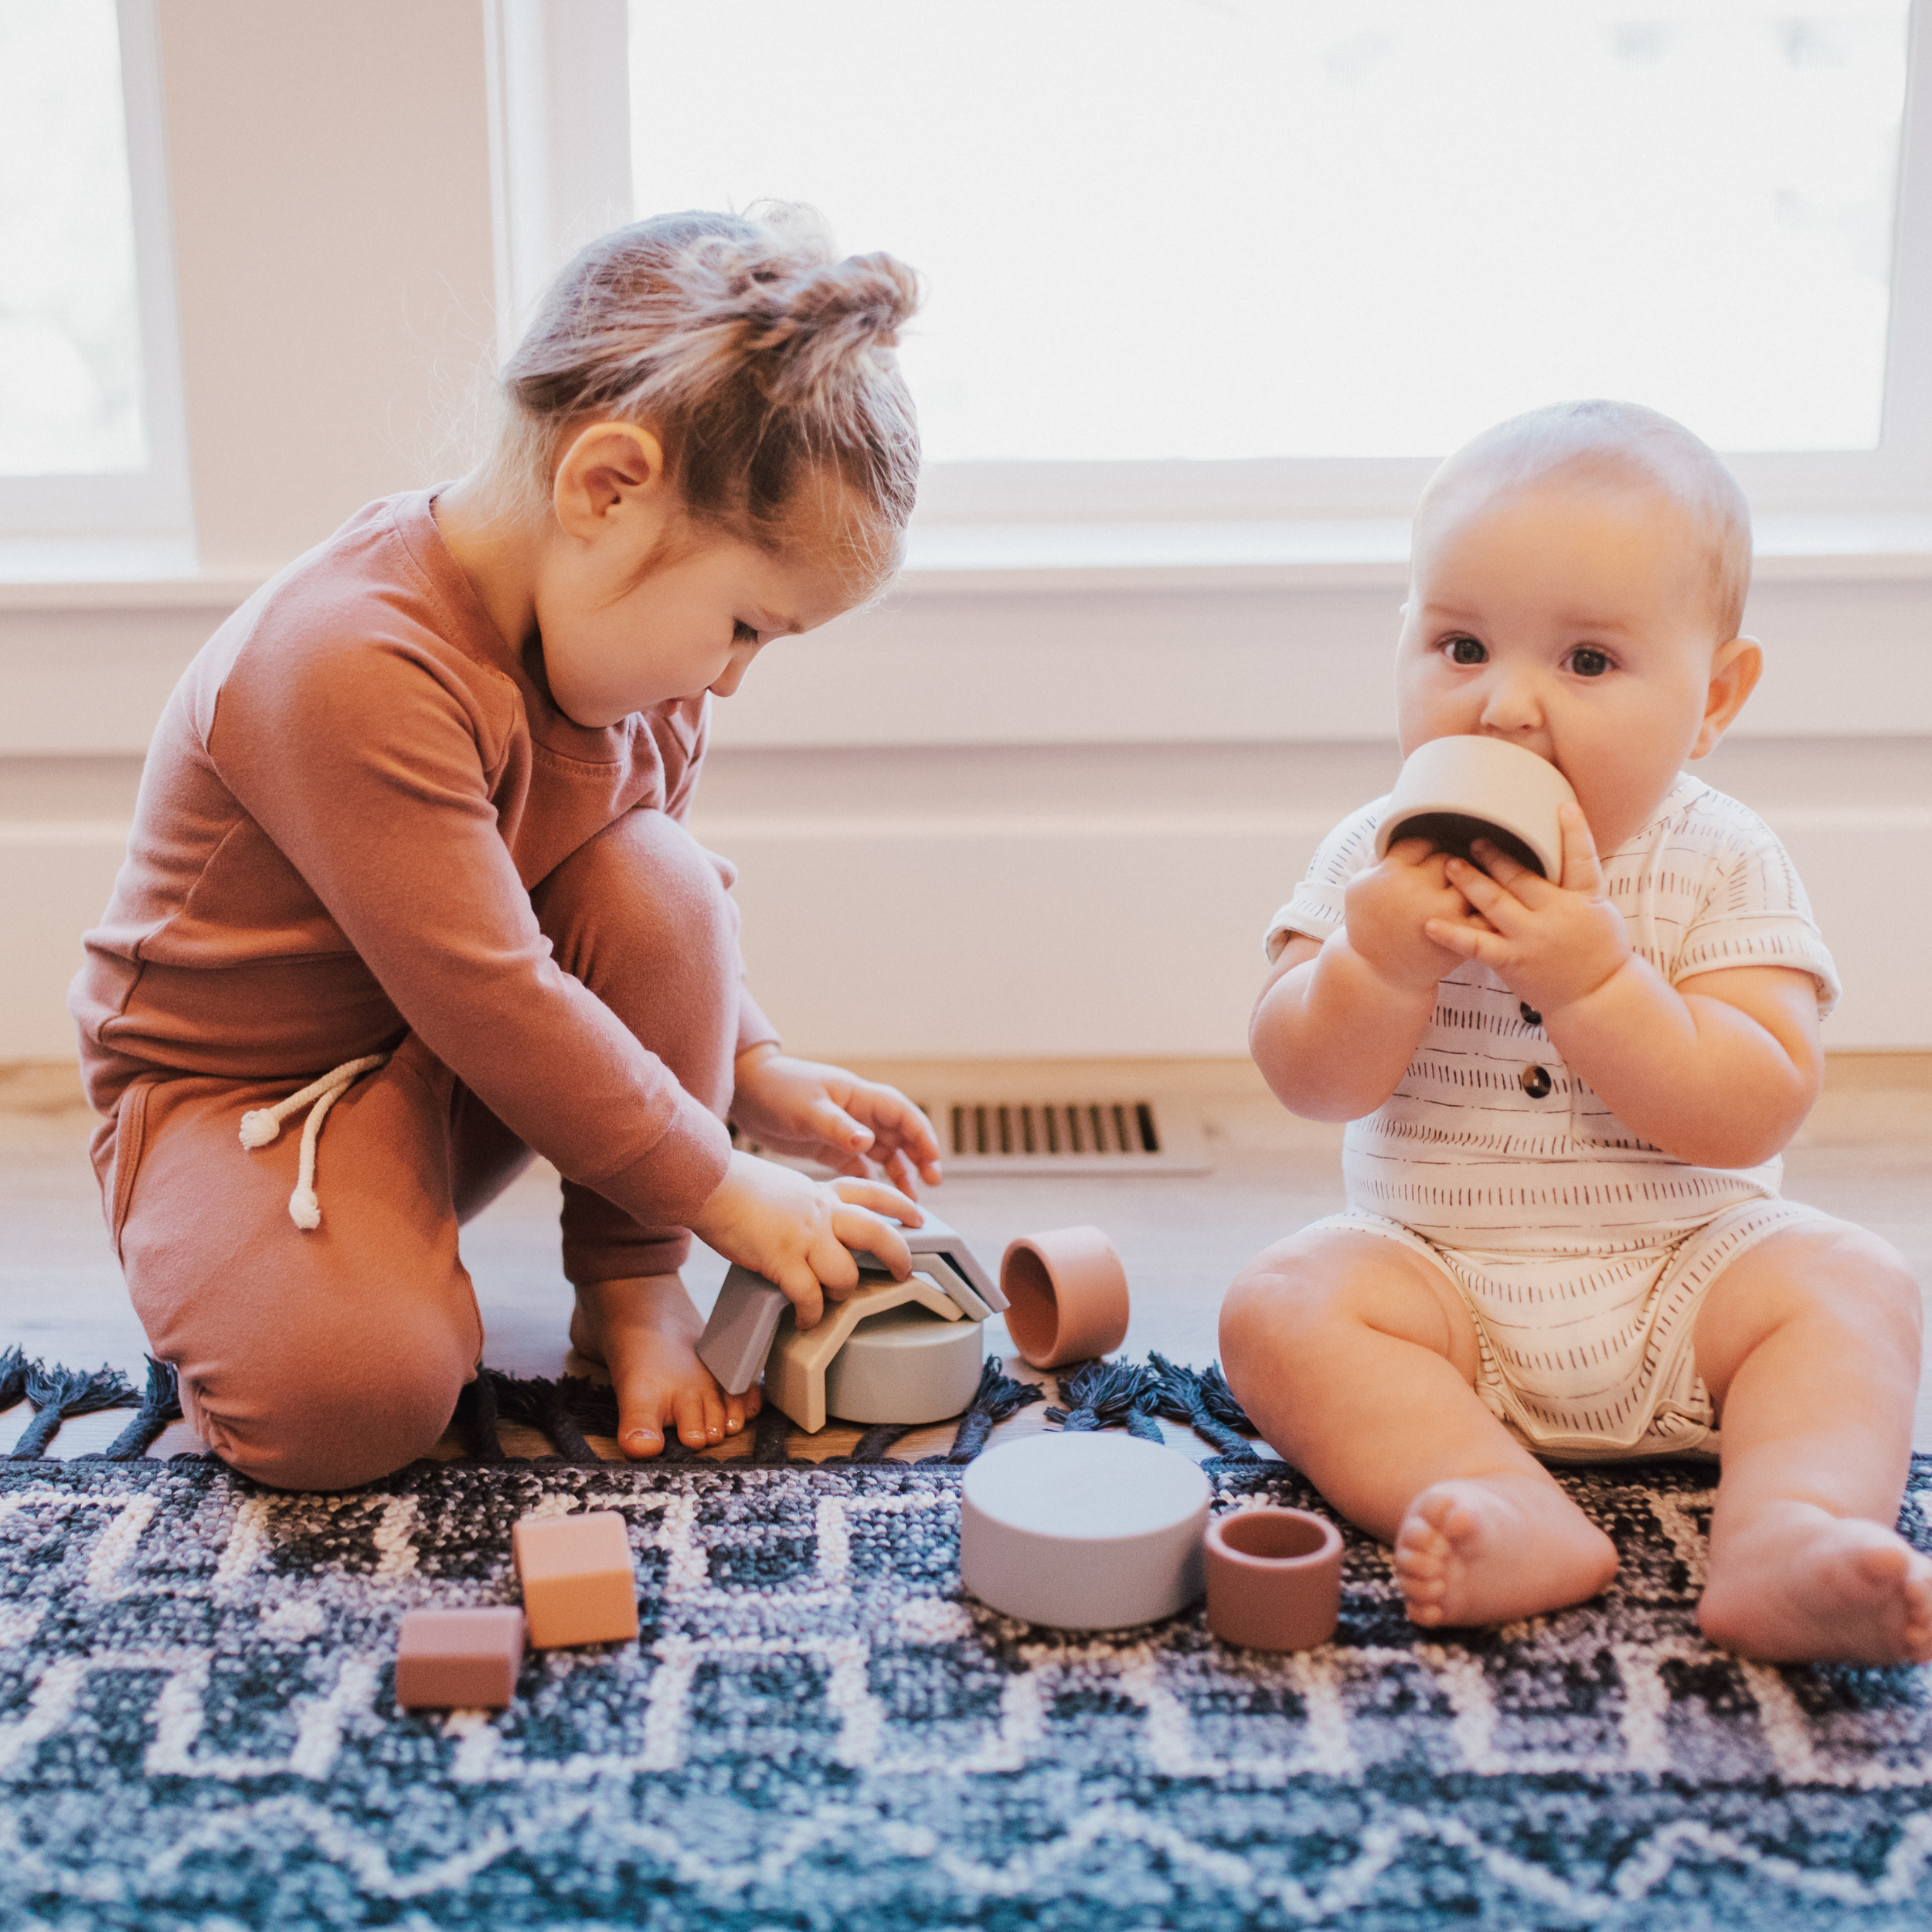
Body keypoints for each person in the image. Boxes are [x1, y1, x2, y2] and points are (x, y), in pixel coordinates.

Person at [70, 206, 944, 1491]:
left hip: (459, 1057)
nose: (736, 681)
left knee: (659, 875)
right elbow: (497, 993)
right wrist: (723, 1187)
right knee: (347, 1405)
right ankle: (331, 1258)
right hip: (248, 1101)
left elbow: (618, 921)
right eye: (747, 626)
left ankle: (627, 1292)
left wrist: (751, 1063)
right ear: (605, 487)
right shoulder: (346, 664)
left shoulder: (644, 679)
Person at [1222, 400, 1930, 1665]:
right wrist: (1375, 964)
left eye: (1587, 663)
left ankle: (1789, 1532)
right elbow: (1304, 1076)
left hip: (1691, 1285)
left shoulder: (1719, 858)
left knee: (1854, 1285)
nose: (1505, 708)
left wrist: (1603, 984)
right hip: (1437, 1292)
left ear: (1712, 699)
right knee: (1279, 1305)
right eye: (1460, 646)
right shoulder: (1370, 858)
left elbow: (1761, 1101)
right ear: (1403, 643)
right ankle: (1495, 1496)